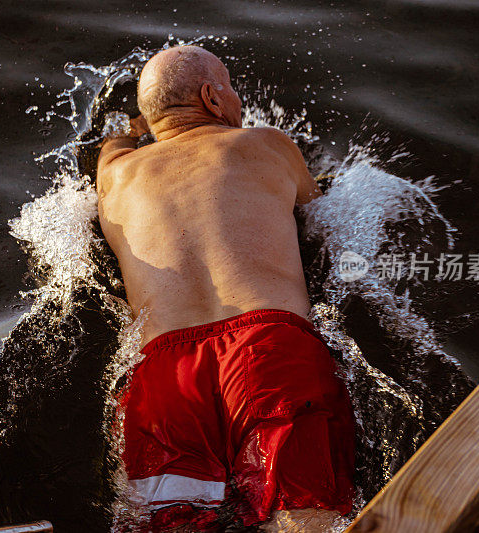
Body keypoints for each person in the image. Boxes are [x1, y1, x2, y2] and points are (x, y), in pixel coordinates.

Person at [97, 45, 355, 531]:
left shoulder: (114, 177)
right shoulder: (268, 144)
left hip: (164, 374)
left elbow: (113, 142)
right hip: (267, 348)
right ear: (212, 97)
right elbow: (320, 214)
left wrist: (135, 128)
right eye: (231, 87)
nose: (237, 100)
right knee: (303, 519)